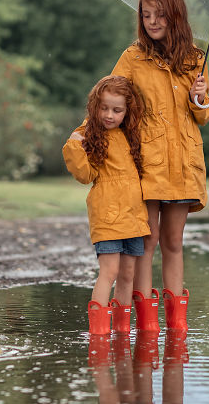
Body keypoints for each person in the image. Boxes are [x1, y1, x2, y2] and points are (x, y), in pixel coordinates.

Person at [111, 0, 209, 333]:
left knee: (173, 241)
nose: (153, 21)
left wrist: (200, 96)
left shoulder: (195, 60)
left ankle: (176, 324)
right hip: (148, 162)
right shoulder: (133, 58)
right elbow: (111, 98)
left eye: (160, 15)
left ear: (175, 15)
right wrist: (86, 132)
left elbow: (200, 117)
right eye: (146, 15)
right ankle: (146, 325)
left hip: (184, 163)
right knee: (147, 240)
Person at [63, 75, 149, 335]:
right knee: (109, 272)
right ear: (94, 107)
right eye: (104, 108)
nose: (109, 115)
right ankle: (99, 331)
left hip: (134, 215)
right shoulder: (90, 134)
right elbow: (85, 175)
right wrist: (75, 147)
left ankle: (122, 331)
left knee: (127, 275)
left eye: (116, 110)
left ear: (126, 111)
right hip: (108, 215)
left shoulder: (130, 136)